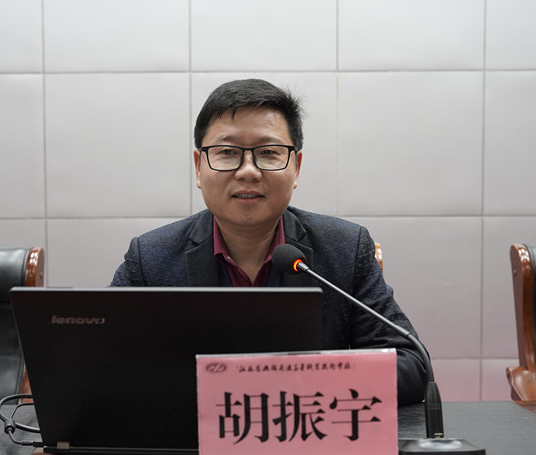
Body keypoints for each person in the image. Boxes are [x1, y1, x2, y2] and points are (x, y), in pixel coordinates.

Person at [111, 79, 427, 405]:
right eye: (227, 153)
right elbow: (102, 362)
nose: (248, 171)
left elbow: (411, 364)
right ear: (198, 167)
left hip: (305, 433)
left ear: (296, 167)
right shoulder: (151, 258)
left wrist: (295, 384)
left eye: (268, 153)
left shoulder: (345, 248)